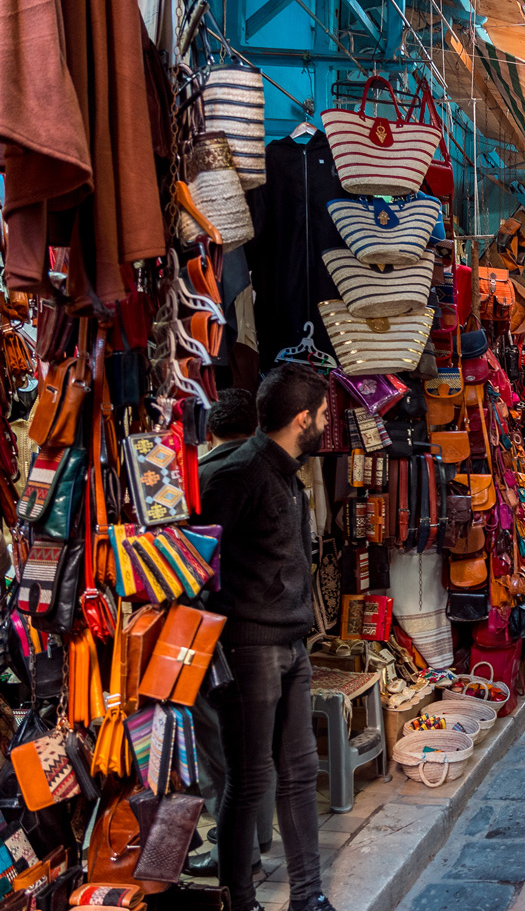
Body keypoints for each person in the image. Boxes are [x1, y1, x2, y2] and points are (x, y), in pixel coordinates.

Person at [200, 363, 336, 911]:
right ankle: (241, 900)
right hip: (250, 648)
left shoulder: (284, 472)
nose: (328, 423)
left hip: (290, 644)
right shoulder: (239, 474)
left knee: (299, 774)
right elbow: (196, 557)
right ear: (302, 419)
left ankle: (308, 897)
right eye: (324, 414)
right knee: (251, 779)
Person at [187, 389, 276, 878]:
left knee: (220, 746)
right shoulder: (280, 474)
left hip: (221, 633)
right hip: (271, 631)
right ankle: (259, 836)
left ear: (211, 432)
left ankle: (233, 848)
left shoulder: (204, 481)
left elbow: (191, 567)